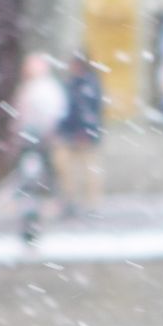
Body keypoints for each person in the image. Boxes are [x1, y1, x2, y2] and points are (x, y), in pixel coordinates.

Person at [54, 51, 106, 215]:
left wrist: (85, 130)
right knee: (69, 169)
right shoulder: (73, 83)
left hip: (84, 135)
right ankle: (72, 200)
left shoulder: (86, 84)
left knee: (87, 170)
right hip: (72, 134)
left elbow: (89, 110)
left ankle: (90, 203)